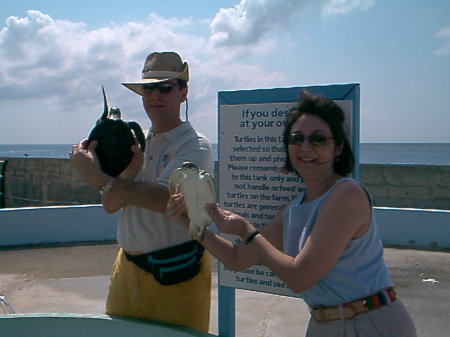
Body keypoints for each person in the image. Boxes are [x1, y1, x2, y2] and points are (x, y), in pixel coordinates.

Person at [168, 91, 417, 336]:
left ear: (338, 148)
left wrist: (246, 230)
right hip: (324, 323)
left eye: (318, 139)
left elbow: (300, 277)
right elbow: (237, 259)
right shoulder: (295, 208)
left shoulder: (346, 194)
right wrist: (189, 223)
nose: (305, 147)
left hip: (371, 322)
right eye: (297, 139)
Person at [71, 51, 214, 332]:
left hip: (176, 272)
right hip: (126, 267)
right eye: (149, 87)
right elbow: (111, 204)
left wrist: (98, 177)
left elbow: (165, 199)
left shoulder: (195, 145)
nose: (156, 95)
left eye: (166, 87)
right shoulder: (137, 143)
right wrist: (125, 171)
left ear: (183, 93)